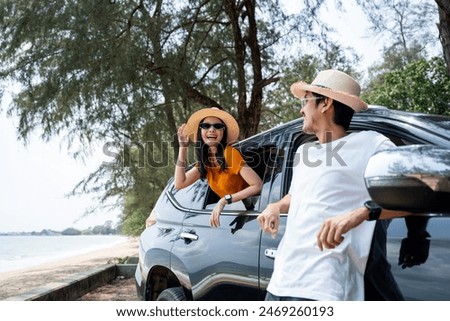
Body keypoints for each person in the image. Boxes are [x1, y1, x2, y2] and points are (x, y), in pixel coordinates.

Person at [257, 69, 411, 301]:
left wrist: (361, 213)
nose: (301, 109)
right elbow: (296, 195)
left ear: (325, 103)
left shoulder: (372, 144)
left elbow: (417, 193)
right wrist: (276, 207)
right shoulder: (304, 151)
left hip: (324, 288)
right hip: (280, 283)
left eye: (305, 100)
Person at [174, 107, 262, 228]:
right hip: (233, 217)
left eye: (217, 126)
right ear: (200, 131)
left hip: (252, 214)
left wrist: (224, 200)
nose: (211, 130)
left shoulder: (229, 153)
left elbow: (257, 185)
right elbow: (179, 183)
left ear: (223, 131)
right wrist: (183, 147)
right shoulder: (206, 161)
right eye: (206, 126)